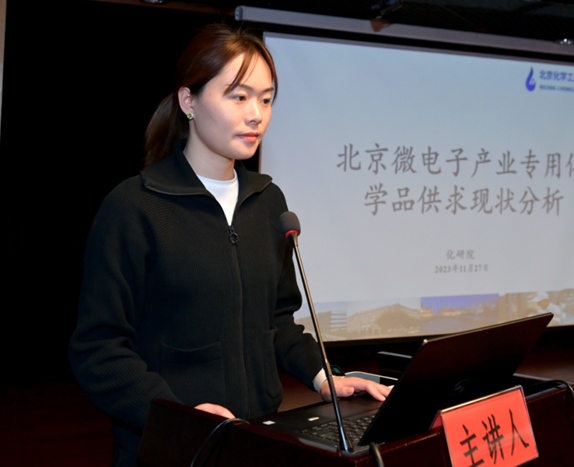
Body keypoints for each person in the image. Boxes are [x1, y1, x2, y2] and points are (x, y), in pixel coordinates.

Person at [69, 24, 390, 467]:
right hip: (171, 449)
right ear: (189, 102)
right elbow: (98, 349)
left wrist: (324, 377)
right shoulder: (135, 207)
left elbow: (276, 320)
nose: (256, 114)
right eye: (238, 97)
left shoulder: (268, 202)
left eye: (266, 99)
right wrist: (178, 415)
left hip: (258, 440)